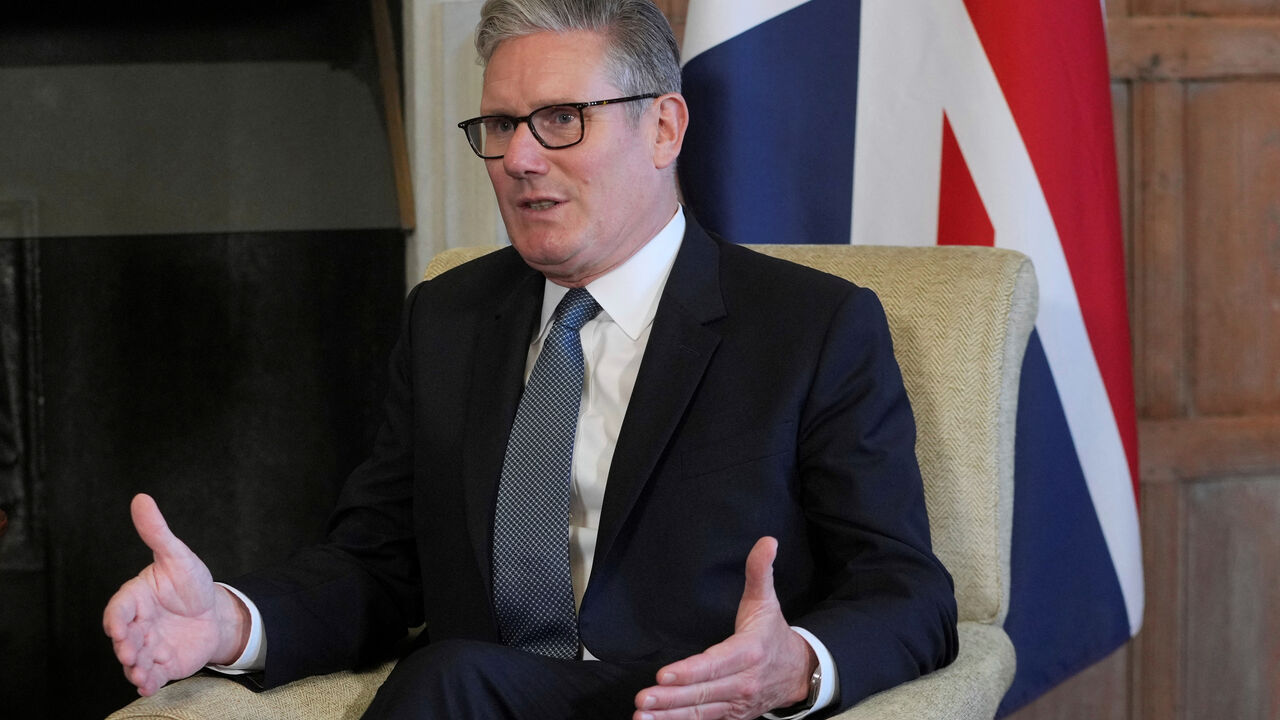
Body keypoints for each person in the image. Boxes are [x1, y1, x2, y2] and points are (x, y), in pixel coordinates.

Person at [103, 1, 958, 718]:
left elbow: (910, 592)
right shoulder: (449, 318)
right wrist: (230, 622)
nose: (518, 157)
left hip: (680, 701)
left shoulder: (810, 327)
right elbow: (377, 565)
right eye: (502, 124)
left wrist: (795, 665)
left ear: (663, 126)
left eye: (561, 120)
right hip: (482, 699)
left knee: (446, 677)